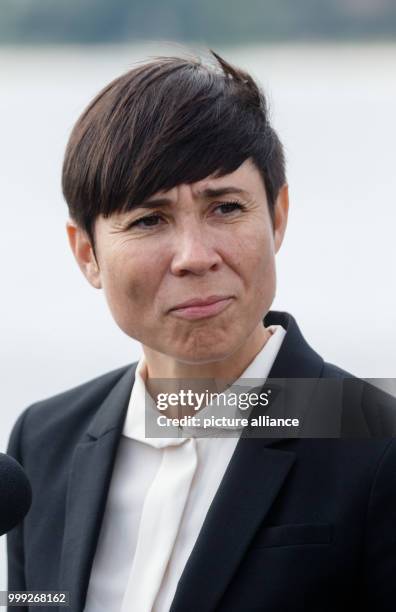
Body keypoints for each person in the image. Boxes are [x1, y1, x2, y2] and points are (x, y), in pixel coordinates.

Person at [6, 48, 396, 612]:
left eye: (226, 208)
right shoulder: (44, 442)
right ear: (87, 253)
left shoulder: (376, 441)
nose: (194, 256)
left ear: (277, 216)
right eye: (148, 220)